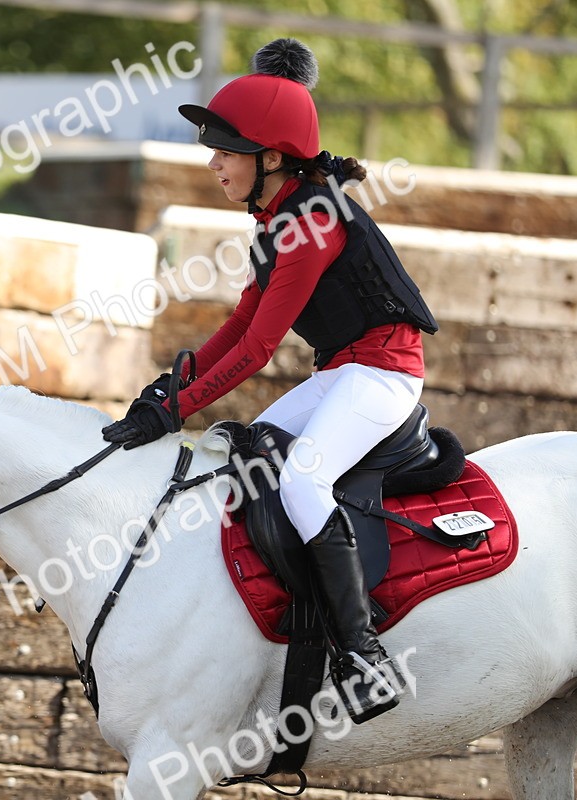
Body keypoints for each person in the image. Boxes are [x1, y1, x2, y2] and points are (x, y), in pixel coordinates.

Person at [102, 38, 438, 724]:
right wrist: (171, 390)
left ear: (273, 158)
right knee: (242, 455)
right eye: (214, 147)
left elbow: (258, 349)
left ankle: (363, 654)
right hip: (345, 370)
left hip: (383, 375)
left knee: (302, 480)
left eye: (226, 149)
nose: (213, 161)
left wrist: (177, 413)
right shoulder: (280, 217)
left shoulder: (311, 223)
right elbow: (239, 324)